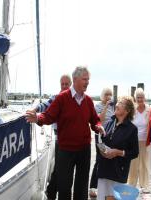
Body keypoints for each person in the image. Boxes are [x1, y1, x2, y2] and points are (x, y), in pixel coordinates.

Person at [25, 66, 104, 200]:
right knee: (64, 186)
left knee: (82, 185)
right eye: (85, 79)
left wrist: (98, 127)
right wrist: (38, 118)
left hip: (84, 150)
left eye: (88, 79)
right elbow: (49, 116)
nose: (87, 82)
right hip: (65, 150)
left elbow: (94, 120)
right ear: (75, 79)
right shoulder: (62, 98)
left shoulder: (88, 101)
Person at [28, 74, 72, 200]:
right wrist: (34, 110)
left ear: (71, 85)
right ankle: (51, 193)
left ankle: (54, 193)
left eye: (66, 84)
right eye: (62, 84)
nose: (64, 86)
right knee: (59, 169)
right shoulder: (56, 98)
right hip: (60, 140)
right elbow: (45, 105)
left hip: (72, 141)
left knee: (64, 171)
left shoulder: (74, 99)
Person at [96, 96, 139, 200]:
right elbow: (102, 143)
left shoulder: (132, 129)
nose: (117, 105)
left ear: (127, 110)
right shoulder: (109, 123)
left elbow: (134, 152)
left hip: (118, 172)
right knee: (102, 198)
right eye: (118, 102)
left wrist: (118, 152)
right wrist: (101, 141)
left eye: (121, 103)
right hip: (104, 169)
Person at [89, 87, 114, 198]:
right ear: (102, 96)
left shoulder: (114, 106)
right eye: (106, 94)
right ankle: (93, 187)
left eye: (110, 94)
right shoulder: (98, 106)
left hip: (111, 137)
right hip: (100, 137)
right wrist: (106, 106)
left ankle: (106, 188)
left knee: (109, 160)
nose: (108, 96)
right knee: (99, 160)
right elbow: (100, 120)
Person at [128, 88, 151, 191]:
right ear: (135, 98)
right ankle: (131, 185)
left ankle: (144, 186)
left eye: (141, 97)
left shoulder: (149, 109)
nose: (140, 99)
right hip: (133, 141)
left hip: (145, 141)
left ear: (144, 98)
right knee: (133, 164)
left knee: (145, 164)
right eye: (138, 97)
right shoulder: (132, 110)